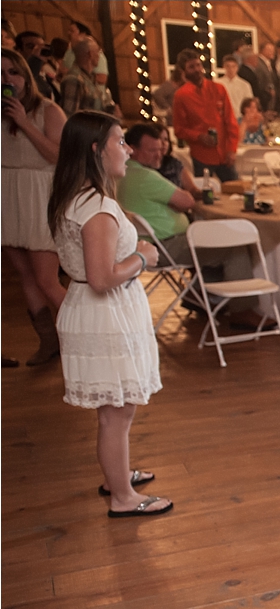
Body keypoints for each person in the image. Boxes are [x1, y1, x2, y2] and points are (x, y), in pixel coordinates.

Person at [48, 111, 173, 517]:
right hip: (105, 313)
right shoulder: (97, 205)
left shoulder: (76, 195)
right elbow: (102, 277)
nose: (128, 150)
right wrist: (143, 256)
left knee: (115, 409)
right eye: (121, 142)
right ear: (96, 150)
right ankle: (123, 497)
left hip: (93, 310)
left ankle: (115, 476)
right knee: (117, 412)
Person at [2, 48, 67, 366]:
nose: (7, 80)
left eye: (12, 72)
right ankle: (49, 342)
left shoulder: (48, 110)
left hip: (39, 195)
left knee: (46, 278)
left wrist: (24, 123)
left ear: (25, 75)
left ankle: (87, 339)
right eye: (0, 74)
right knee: (25, 276)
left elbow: (58, 156)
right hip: (6, 196)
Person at [117, 122, 195, 265]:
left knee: (213, 246)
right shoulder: (144, 176)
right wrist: (173, 205)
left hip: (140, 245)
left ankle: (199, 287)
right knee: (232, 248)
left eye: (160, 149)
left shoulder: (120, 173)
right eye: (152, 150)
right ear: (133, 150)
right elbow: (188, 201)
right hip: (163, 247)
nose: (159, 155)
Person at [172, 48, 239, 182]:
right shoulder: (181, 96)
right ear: (183, 71)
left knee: (236, 190)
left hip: (225, 153)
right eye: (191, 67)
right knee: (205, 194)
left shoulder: (218, 89)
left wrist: (232, 149)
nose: (197, 69)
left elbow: (230, 121)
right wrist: (199, 136)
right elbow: (179, 130)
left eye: (198, 65)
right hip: (201, 155)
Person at [60, 38, 117, 117]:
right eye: (98, 51)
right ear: (90, 54)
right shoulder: (73, 80)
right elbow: (70, 116)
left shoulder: (90, 78)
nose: (99, 55)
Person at [215, 54, 252, 123]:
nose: (231, 69)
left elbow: (249, 104)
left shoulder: (244, 85)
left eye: (233, 66)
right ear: (224, 67)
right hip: (223, 119)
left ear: (237, 68)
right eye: (228, 66)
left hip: (239, 118)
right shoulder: (217, 83)